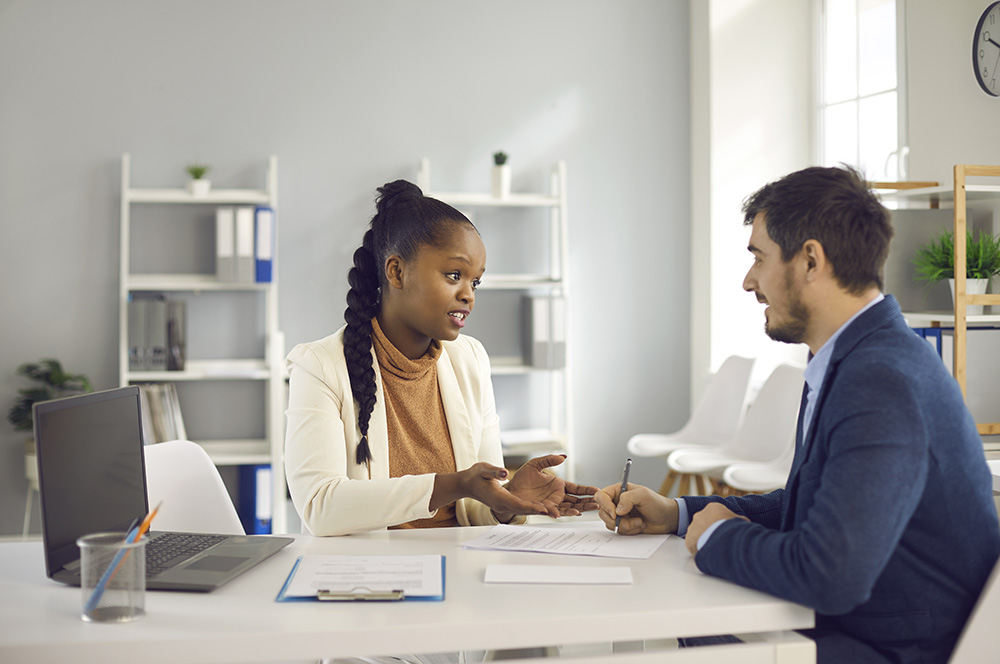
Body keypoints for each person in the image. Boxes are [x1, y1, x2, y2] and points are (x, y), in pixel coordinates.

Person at [596, 166, 1000, 663]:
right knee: (695, 625)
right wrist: (679, 514)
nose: (749, 282)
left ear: (811, 260)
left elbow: (832, 576)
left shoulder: (881, 379)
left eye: (758, 259)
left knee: (694, 630)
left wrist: (720, 535)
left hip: (896, 649)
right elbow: (808, 505)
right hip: (863, 630)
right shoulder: (849, 358)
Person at [285, 179, 597, 537]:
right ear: (397, 271)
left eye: (475, 282)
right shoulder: (320, 366)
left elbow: (475, 509)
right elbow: (320, 507)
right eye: (454, 275)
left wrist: (506, 500)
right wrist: (454, 484)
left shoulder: (471, 359)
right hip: (371, 573)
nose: (468, 295)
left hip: (462, 565)